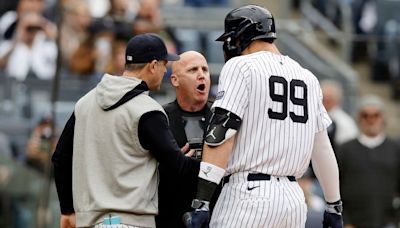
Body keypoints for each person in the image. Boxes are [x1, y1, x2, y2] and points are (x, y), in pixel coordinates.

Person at [183, 5, 343, 228]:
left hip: (247, 196)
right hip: (293, 201)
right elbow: (322, 149)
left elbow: (222, 132)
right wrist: (333, 205)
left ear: (241, 36)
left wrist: (202, 201)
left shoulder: (241, 66)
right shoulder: (308, 78)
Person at [51, 33, 200, 228]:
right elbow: (179, 167)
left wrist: (67, 210)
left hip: (89, 222)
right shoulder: (147, 109)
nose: (165, 71)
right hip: (131, 222)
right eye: (164, 64)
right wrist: (215, 166)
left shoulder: (84, 103)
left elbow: (60, 159)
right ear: (153, 65)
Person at [156, 51, 214, 228]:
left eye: (205, 69)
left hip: (215, 216)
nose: (201, 75)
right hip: (170, 215)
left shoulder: (221, 116)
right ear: (175, 80)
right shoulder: (159, 117)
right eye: (193, 70)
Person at [336, 94, 400, 228]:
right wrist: (345, 220)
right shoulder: (344, 149)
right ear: (359, 118)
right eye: (365, 115)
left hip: (388, 222)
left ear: (382, 118)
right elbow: (335, 188)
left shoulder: (395, 149)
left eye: (376, 115)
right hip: (352, 222)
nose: (371, 120)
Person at [321, 79, 358, 151]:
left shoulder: (346, 122)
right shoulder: (312, 118)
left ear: (337, 100)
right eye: (323, 99)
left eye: (329, 99)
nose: (325, 102)